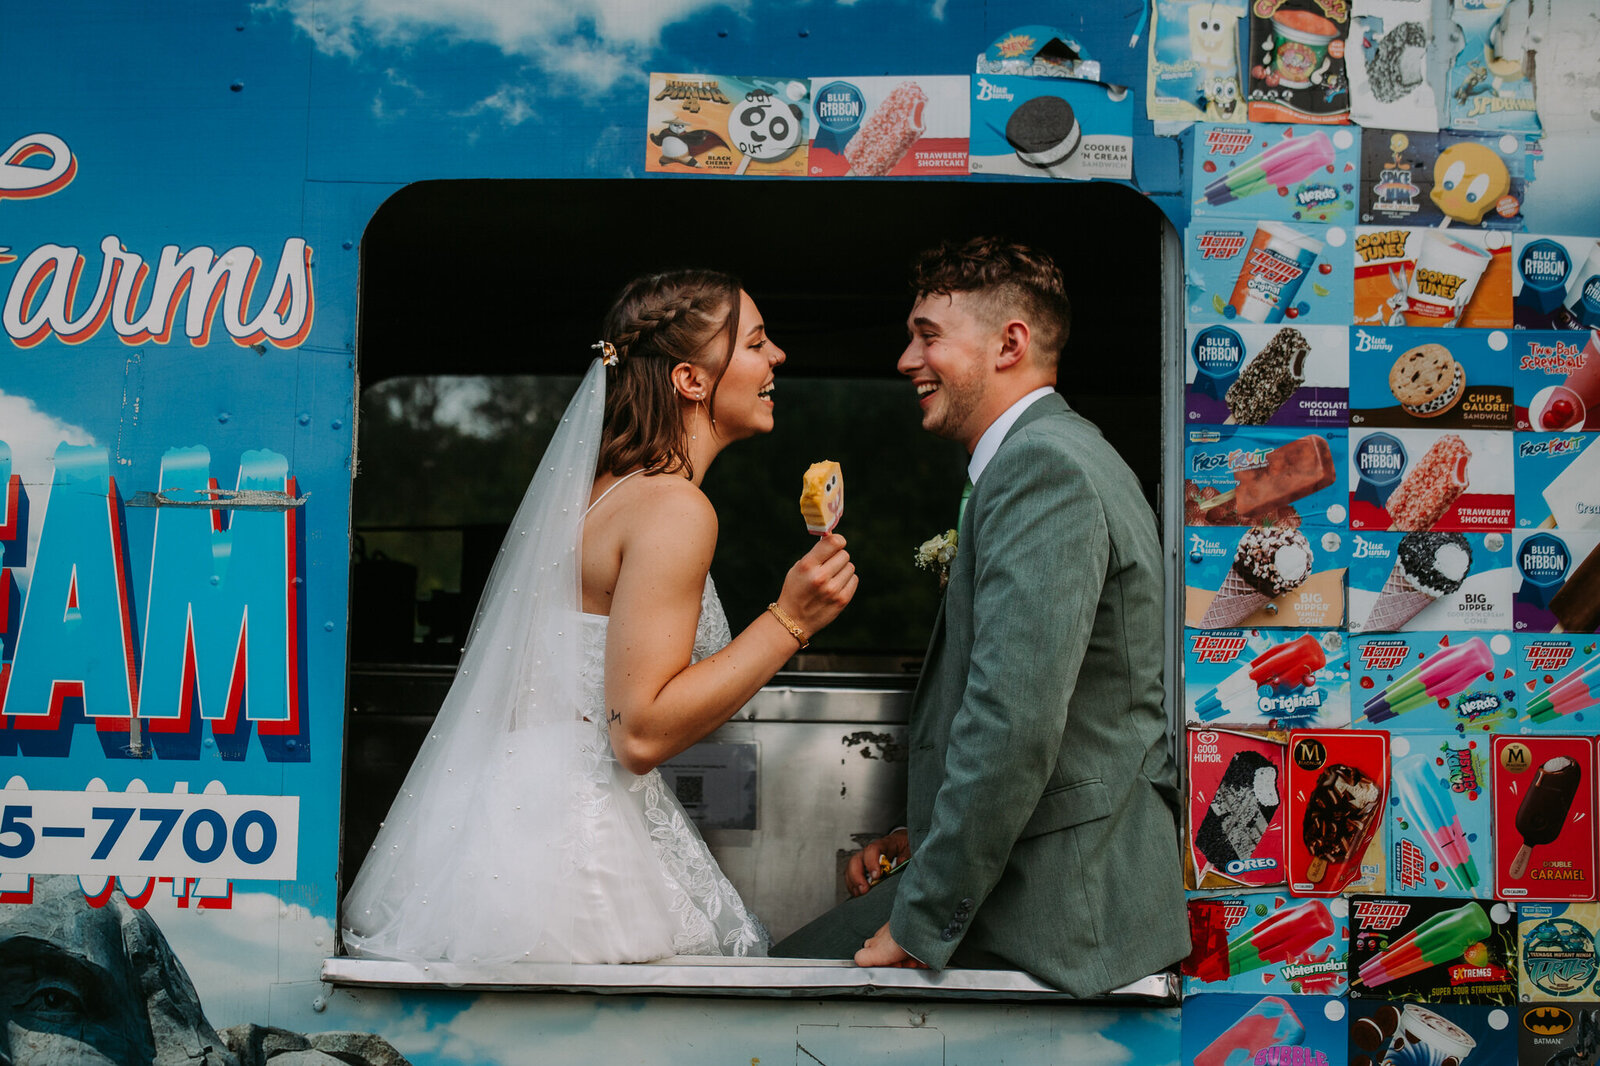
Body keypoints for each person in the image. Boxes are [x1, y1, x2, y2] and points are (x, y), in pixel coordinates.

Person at [343, 270, 857, 964]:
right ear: (691, 380)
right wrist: (791, 620)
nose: (777, 359)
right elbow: (639, 733)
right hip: (572, 849)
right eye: (757, 342)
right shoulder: (675, 508)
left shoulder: (602, 495)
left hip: (511, 824)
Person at [772, 237, 1188, 996]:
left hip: (1054, 909)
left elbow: (1014, 721)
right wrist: (920, 840)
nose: (906, 359)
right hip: (1041, 882)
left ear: (1010, 344)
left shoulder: (1044, 467)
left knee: (763, 997)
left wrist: (921, 916)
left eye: (928, 335)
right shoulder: (1051, 454)